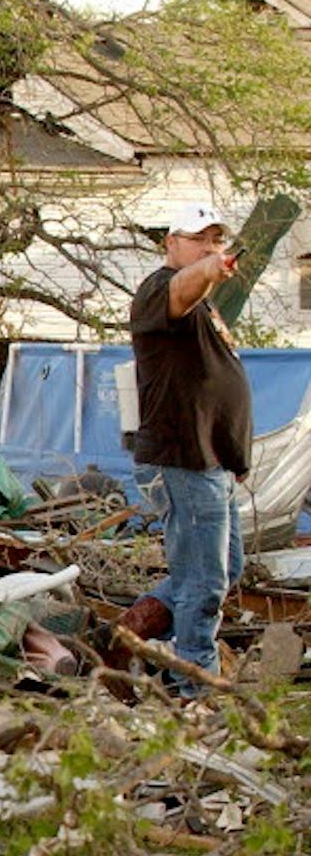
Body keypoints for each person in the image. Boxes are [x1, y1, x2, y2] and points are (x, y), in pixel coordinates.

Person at [128, 200, 250, 690]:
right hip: (183, 461)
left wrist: (235, 457)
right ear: (171, 243)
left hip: (212, 464)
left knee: (225, 568)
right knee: (203, 583)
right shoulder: (159, 291)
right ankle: (197, 692)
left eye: (216, 239)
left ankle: (137, 628)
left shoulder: (204, 304)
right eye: (199, 238)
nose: (209, 246)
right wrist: (208, 267)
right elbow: (183, 285)